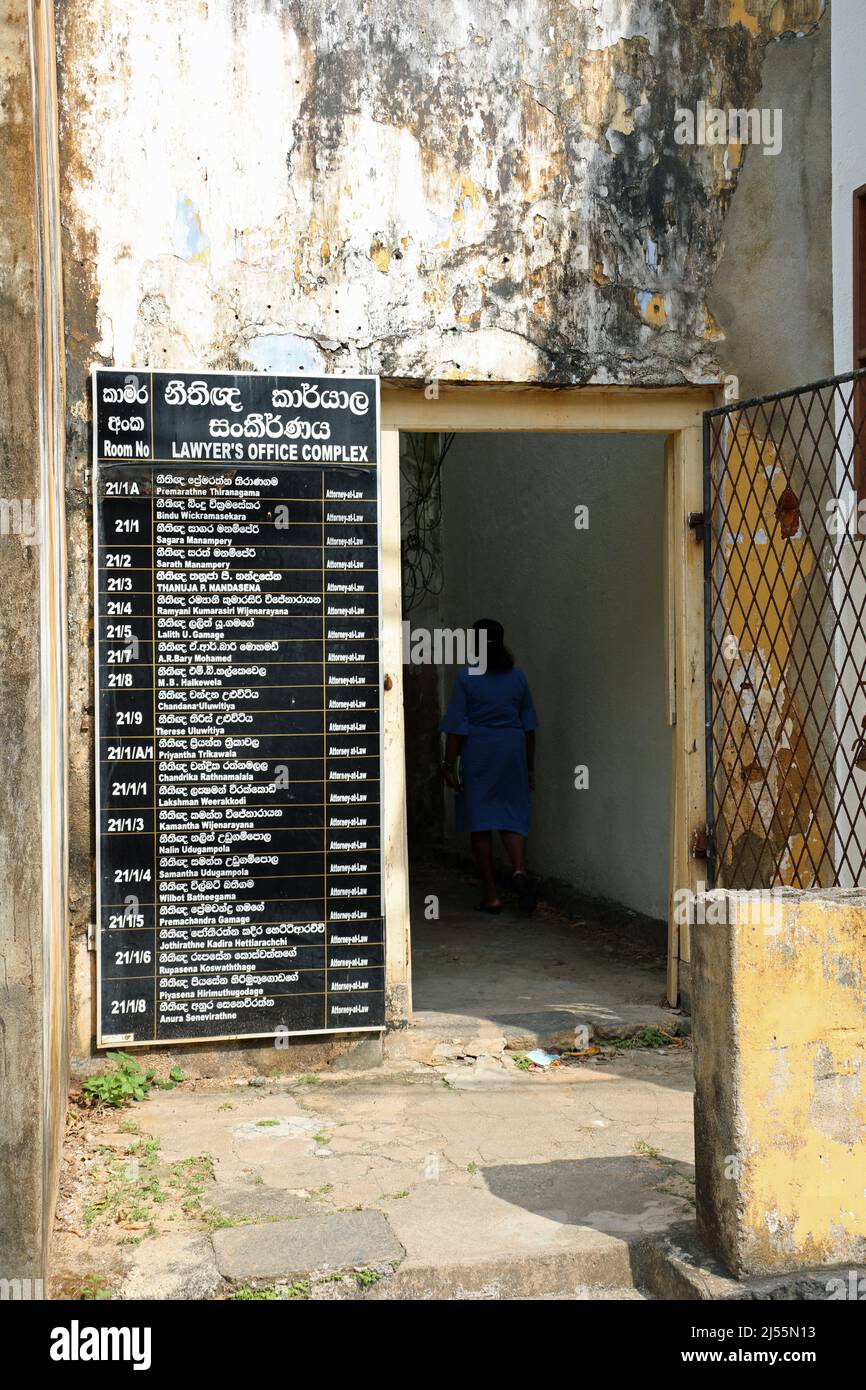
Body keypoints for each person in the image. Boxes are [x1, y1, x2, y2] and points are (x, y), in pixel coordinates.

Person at [440, 618, 538, 913]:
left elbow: (457, 727)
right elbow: (530, 727)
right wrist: (529, 767)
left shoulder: (467, 677)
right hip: (512, 751)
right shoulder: (518, 677)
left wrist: (448, 764)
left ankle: (491, 895)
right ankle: (519, 870)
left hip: (479, 752)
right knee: (511, 816)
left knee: (480, 822)